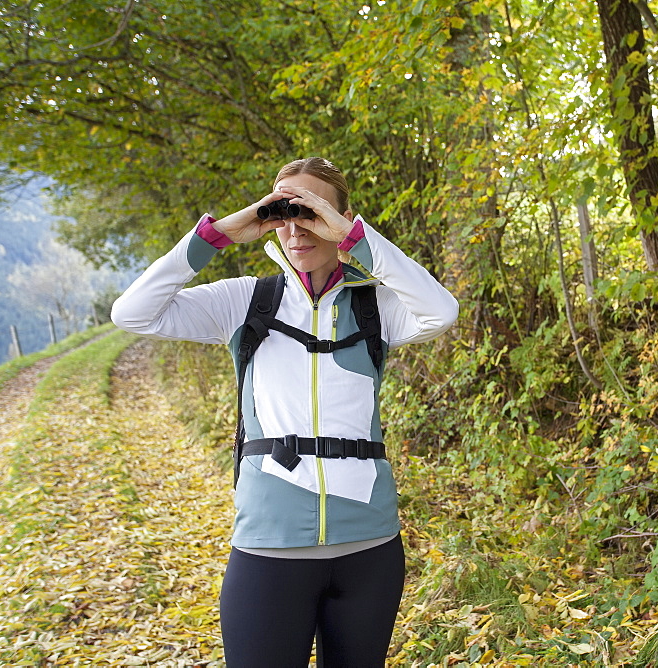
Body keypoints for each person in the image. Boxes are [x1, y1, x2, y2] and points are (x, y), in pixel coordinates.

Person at [111, 157, 459, 667]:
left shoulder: (376, 308)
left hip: (371, 549)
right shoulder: (245, 301)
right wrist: (223, 232)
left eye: (311, 212)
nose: (297, 228)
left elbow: (442, 310)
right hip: (268, 550)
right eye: (284, 211)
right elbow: (132, 313)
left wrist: (354, 237)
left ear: (341, 220)